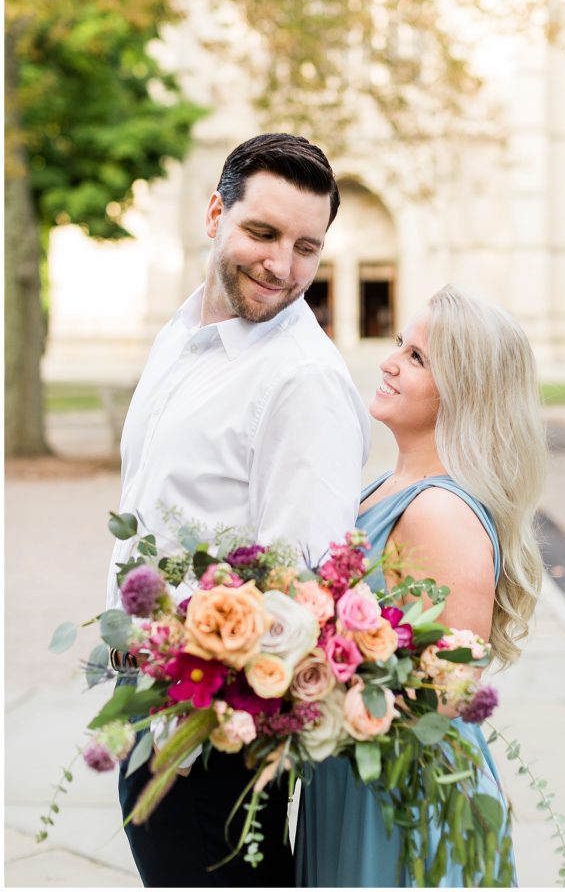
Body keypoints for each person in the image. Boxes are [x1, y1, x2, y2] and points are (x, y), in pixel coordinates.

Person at [108, 133, 371, 888]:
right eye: (263, 233)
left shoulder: (303, 383)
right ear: (215, 213)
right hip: (151, 712)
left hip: (220, 742)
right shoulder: (180, 335)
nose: (283, 267)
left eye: (307, 247)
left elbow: (302, 589)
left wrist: (207, 723)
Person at [295, 284, 547, 887]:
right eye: (399, 345)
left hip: (404, 803)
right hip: (350, 779)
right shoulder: (382, 486)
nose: (388, 363)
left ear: (463, 389)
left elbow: (445, 695)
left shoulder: (441, 514)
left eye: (417, 358)